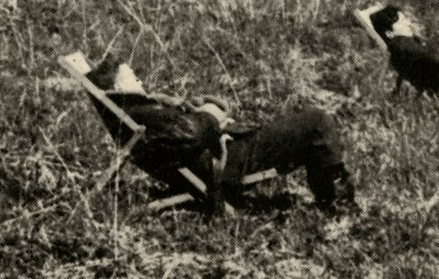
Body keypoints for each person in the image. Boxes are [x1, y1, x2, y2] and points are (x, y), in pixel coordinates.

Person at [85, 56, 356, 215]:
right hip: (230, 160)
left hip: (228, 148)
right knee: (317, 122)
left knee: (308, 122)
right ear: (119, 85)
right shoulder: (141, 112)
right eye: (133, 77)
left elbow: (181, 132)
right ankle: (337, 205)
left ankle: (332, 197)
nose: (140, 81)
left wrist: (198, 110)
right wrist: (211, 115)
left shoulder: (135, 111)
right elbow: (189, 134)